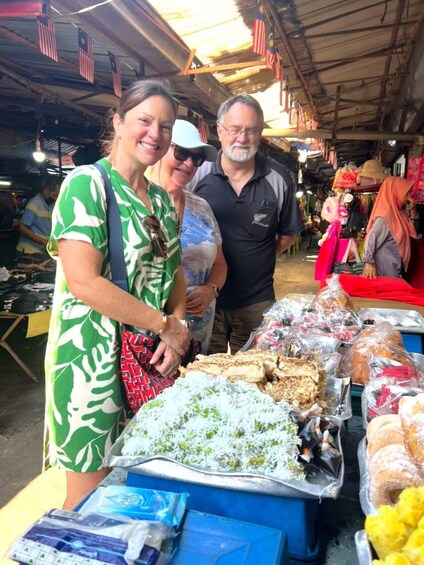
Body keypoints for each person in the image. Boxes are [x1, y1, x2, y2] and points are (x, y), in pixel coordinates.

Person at [44, 79, 191, 510]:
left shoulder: (161, 201)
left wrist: (177, 326)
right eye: (144, 120)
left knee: (141, 478)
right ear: (118, 122)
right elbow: (84, 282)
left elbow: (174, 271)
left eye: (166, 126)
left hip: (147, 357)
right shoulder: (86, 184)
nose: (155, 134)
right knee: (90, 494)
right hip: (91, 359)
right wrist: (165, 325)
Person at [187, 94, 304, 353]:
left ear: (260, 133)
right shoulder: (198, 173)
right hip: (205, 299)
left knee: (256, 376)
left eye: (250, 130)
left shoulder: (279, 179)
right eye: (234, 129)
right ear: (219, 130)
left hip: (256, 302)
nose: (242, 137)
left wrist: (258, 257)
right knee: (205, 375)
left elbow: (287, 235)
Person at [147, 119, 227, 353]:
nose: (189, 163)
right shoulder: (136, 202)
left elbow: (220, 263)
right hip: (149, 337)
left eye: (197, 158)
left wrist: (210, 290)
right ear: (160, 148)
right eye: (181, 153)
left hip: (198, 336)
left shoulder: (202, 208)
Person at [362, 177, 417, 278]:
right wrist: (368, 262)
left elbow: (413, 231)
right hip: (385, 268)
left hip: (394, 264)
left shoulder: (400, 212)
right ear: (396, 191)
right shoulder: (386, 216)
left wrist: (413, 211)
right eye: (406, 193)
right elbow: (371, 238)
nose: (408, 197)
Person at [16, 177, 60, 258]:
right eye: (55, 195)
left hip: (41, 250)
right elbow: (22, 228)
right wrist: (43, 242)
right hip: (28, 251)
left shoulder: (51, 205)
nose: (56, 199)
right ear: (46, 190)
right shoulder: (34, 203)